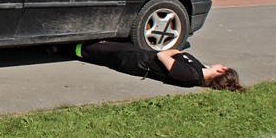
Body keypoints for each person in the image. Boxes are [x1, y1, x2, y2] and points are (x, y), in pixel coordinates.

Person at [76, 41, 245, 92]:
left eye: (223, 66)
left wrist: (174, 51)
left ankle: (66, 48)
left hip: (135, 60)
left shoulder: (191, 76)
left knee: (97, 50)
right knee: (104, 47)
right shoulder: (201, 69)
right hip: (139, 55)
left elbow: (162, 56)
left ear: (220, 70)